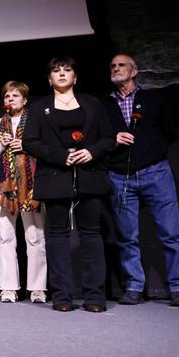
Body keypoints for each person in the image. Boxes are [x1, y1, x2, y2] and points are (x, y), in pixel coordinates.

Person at [22, 56, 115, 313]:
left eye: (67, 69)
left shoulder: (92, 104)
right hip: (54, 176)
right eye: (56, 70)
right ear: (49, 78)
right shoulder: (40, 108)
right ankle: (62, 296)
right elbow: (30, 142)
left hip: (90, 173)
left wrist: (92, 152)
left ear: (75, 76)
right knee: (58, 235)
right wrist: (60, 156)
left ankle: (95, 296)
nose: (62, 73)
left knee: (92, 234)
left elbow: (108, 138)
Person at [102, 53, 179, 307]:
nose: (116, 68)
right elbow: (97, 139)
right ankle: (133, 286)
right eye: (113, 65)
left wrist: (150, 150)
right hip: (120, 176)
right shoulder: (104, 105)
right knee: (127, 236)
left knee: (171, 234)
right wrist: (113, 141)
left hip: (156, 173)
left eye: (121, 65)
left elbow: (169, 133)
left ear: (134, 72)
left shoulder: (153, 99)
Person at [0, 81, 47, 303]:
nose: (10, 100)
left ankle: (37, 288)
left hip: (31, 184)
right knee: (5, 235)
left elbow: (47, 150)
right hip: (2, 185)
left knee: (34, 235)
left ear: (25, 100)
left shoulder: (36, 123)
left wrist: (25, 146)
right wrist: (0, 145)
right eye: (7, 96)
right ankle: (8, 287)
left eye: (15, 96)